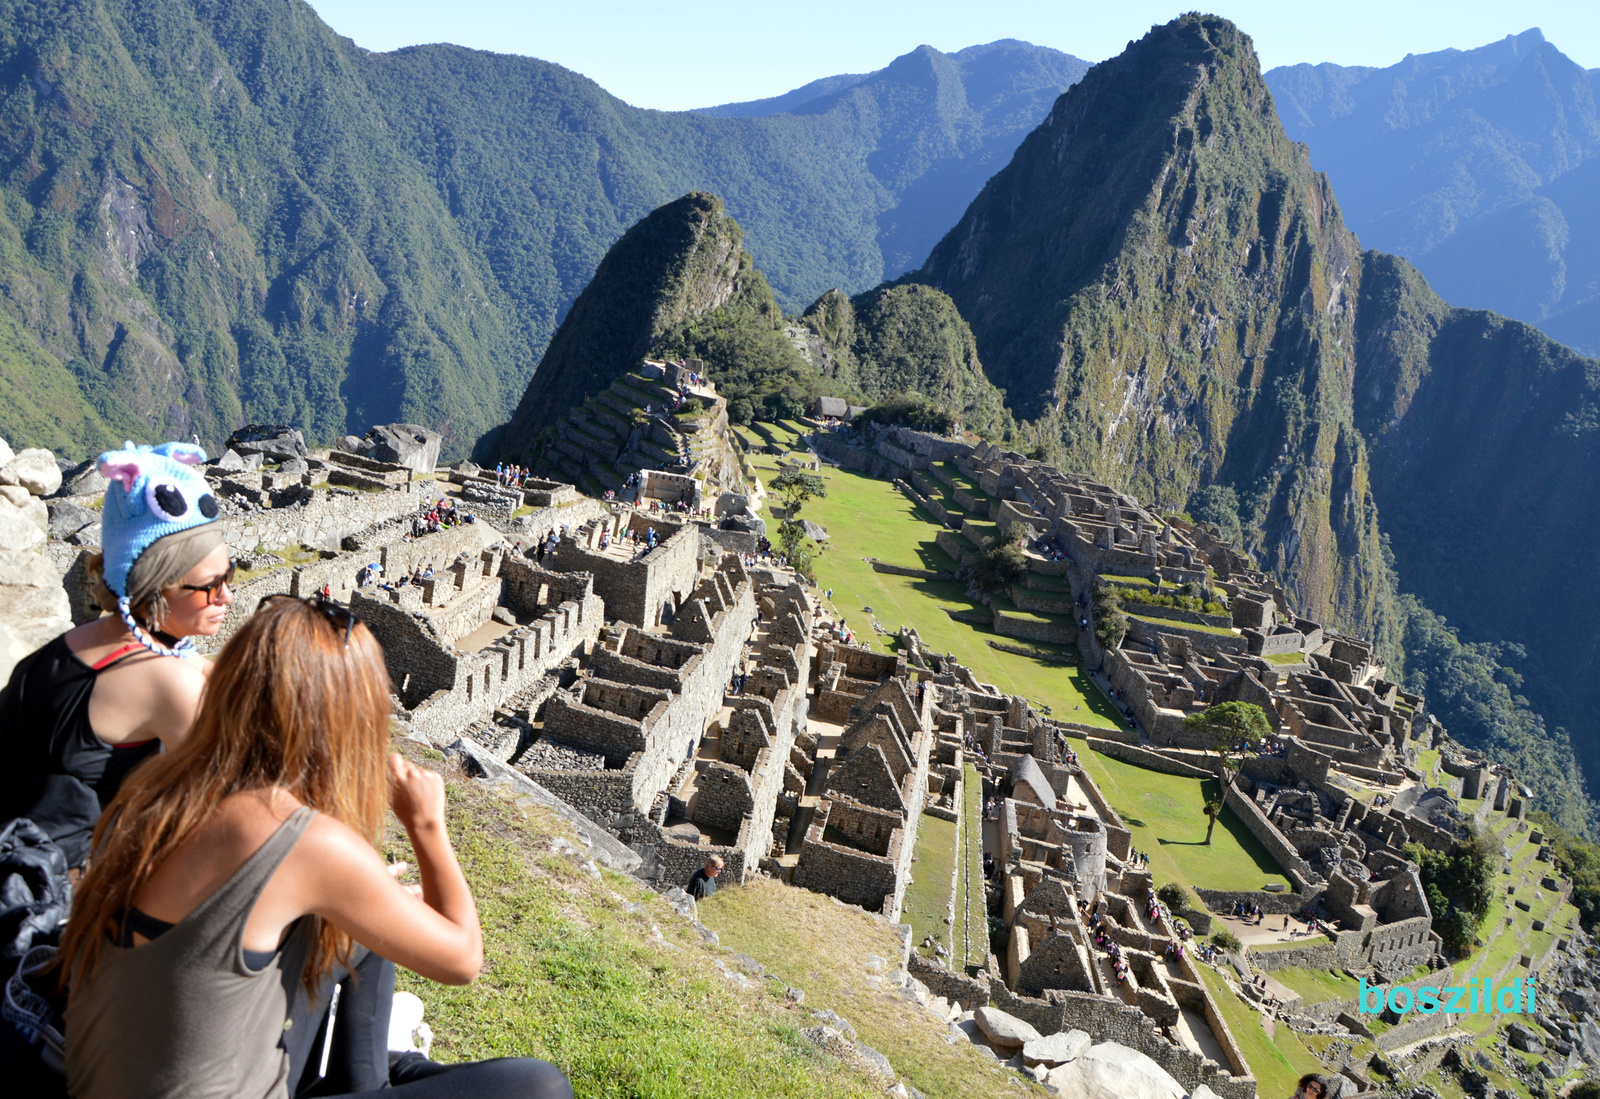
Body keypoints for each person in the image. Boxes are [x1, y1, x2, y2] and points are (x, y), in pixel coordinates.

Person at [60, 595, 572, 1099]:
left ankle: (370, 1082)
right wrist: (427, 825)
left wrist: (366, 892)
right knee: (537, 1086)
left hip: (111, 1075)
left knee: (362, 934)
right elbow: (462, 960)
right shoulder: (303, 840)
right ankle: (385, 1075)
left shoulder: (163, 784)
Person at [0, 441, 231, 869]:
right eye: (211, 586)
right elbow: (230, 814)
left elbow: (200, 666)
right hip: (62, 905)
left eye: (229, 576)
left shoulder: (78, 644)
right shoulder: (166, 681)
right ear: (157, 585)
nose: (228, 597)